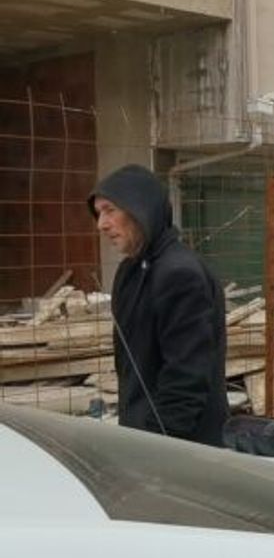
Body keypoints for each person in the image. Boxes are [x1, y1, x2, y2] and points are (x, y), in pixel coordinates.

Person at [88, 164, 228, 445]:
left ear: (141, 210)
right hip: (145, 438)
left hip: (181, 448)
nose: (101, 224)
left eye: (110, 210)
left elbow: (186, 379)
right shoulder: (132, 270)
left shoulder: (179, 274)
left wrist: (154, 447)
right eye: (99, 212)